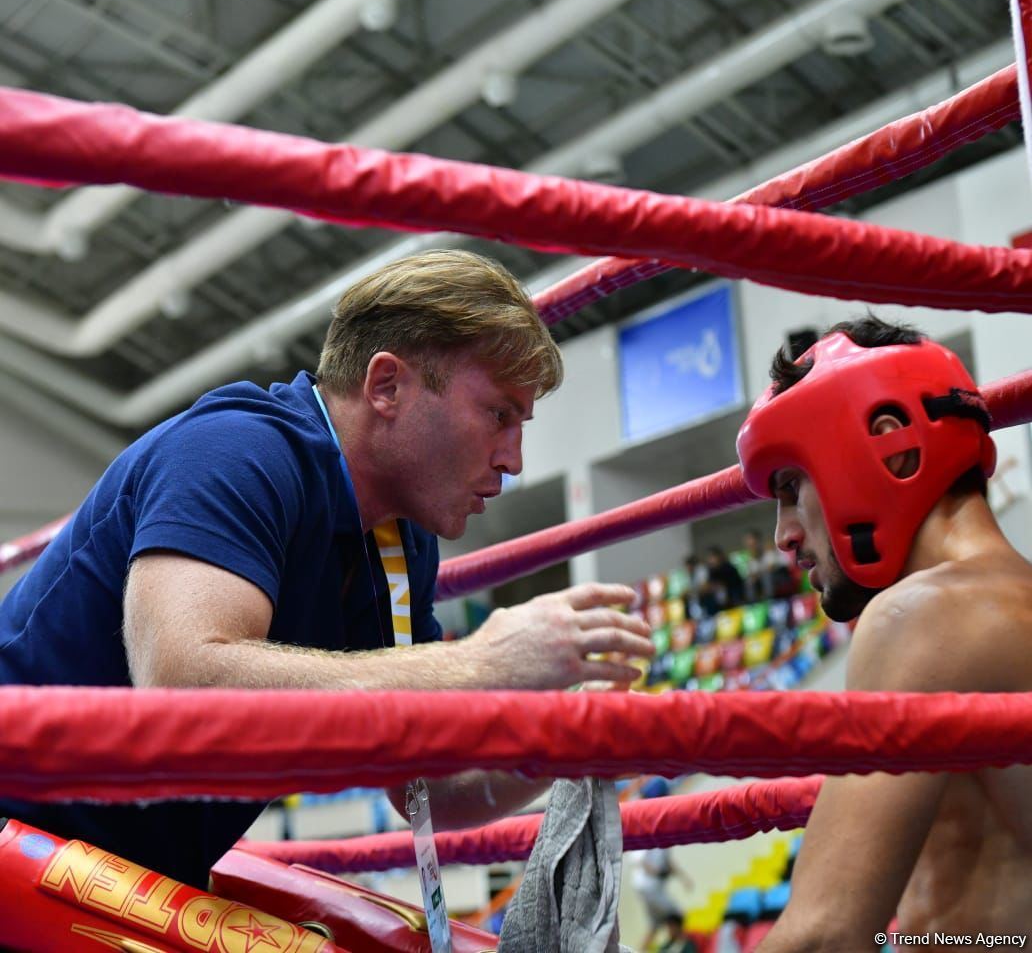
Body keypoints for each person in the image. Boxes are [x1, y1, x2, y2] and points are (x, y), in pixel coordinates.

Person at [0, 249, 654, 890]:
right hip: (20, 839)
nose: (513, 458)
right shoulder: (236, 451)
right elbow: (183, 683)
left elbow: (430, 787)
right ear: (387, 386)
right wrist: (483, 663)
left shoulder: (401, 543)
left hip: (113, 875)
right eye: (499, 414)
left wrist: (567, 732)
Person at [735, 314, 1032, 946]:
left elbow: (824, 936)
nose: (785, 536)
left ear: (890, 444)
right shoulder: (1008, 601)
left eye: (792, 486)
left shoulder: (921, 617)